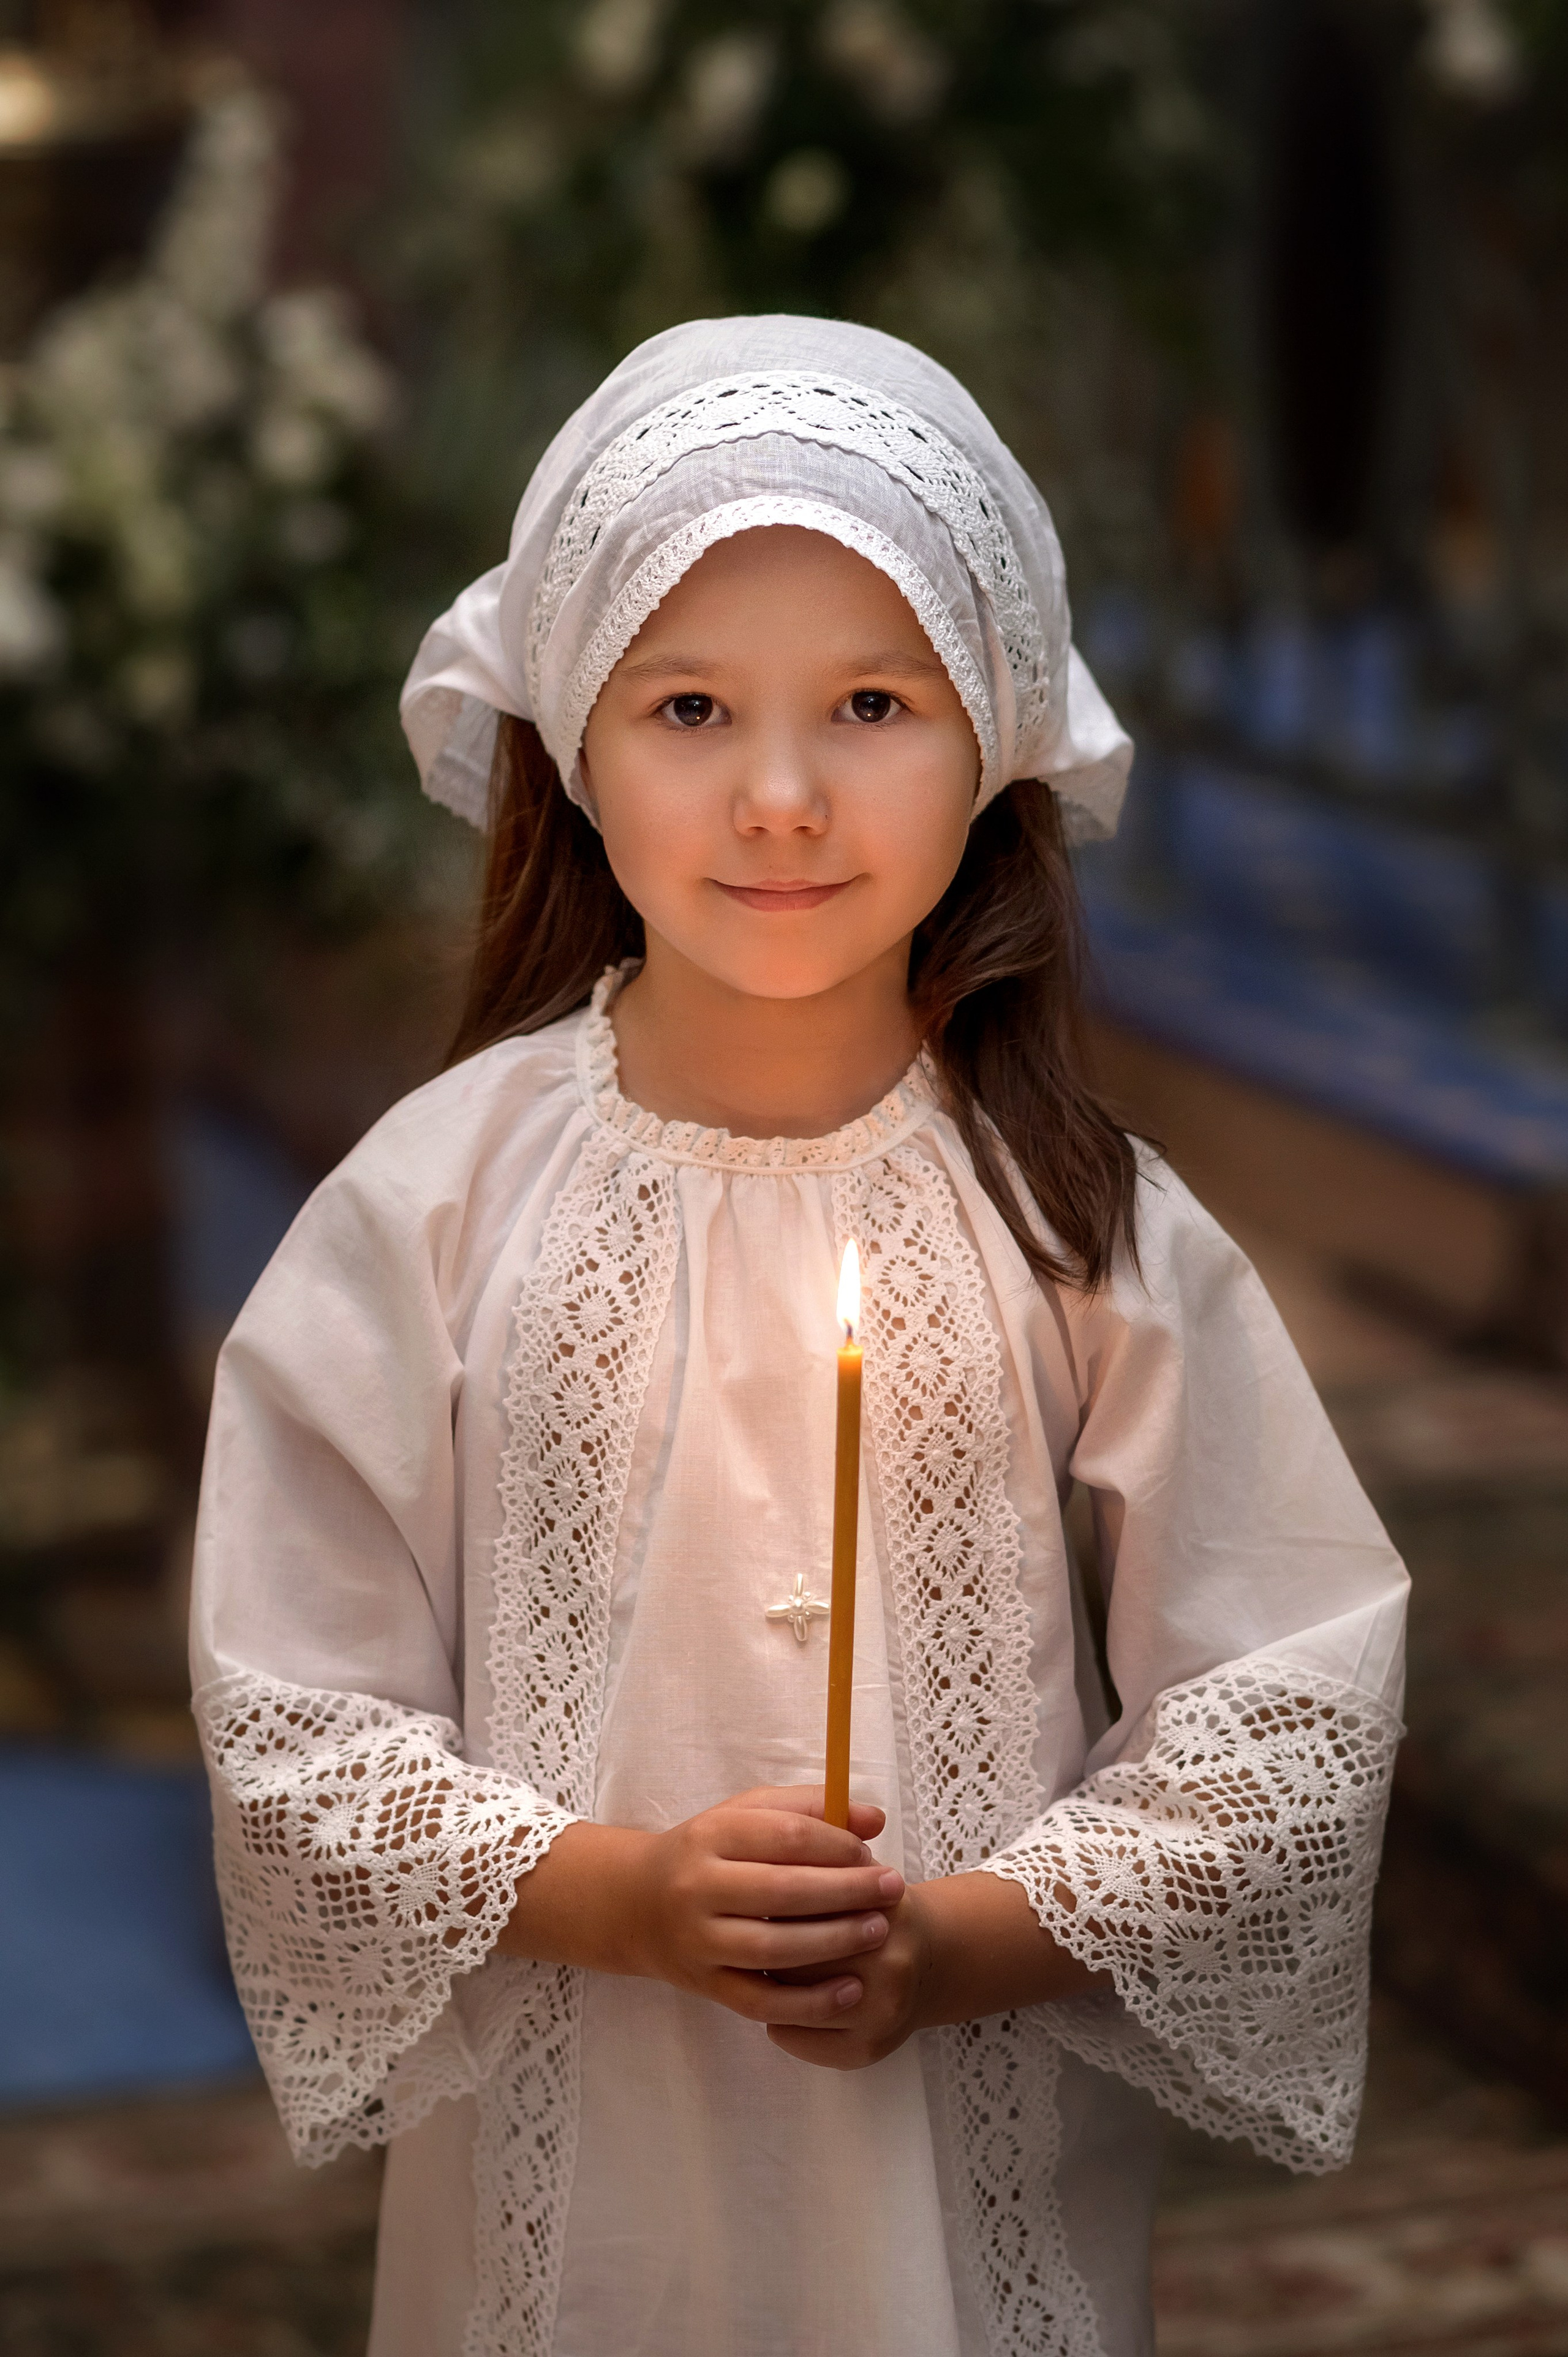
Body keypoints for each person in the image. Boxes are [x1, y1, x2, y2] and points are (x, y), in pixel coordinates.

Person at [190, 316, 1408, 2357]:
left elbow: (1290, 1703)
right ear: (574, 746)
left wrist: (963, 1944)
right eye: (688, 707)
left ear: (997, 734)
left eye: (868, 701)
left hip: (952, 2151)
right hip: (575, 2190)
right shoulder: (434, 1206)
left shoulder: (1078, 1216)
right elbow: (294, 1710)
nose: (777, 797)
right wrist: (616, 1900)